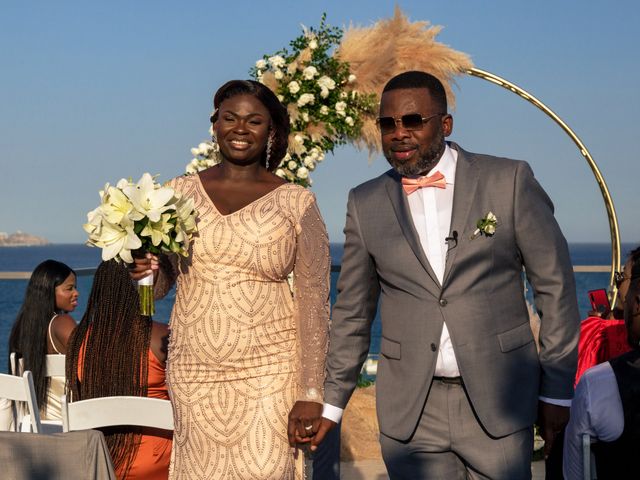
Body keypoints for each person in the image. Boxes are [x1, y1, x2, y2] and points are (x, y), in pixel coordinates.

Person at [310, 71, 580, 479]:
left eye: (413, 121)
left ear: (446, 124)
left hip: (500, 401)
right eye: (388, 124)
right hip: (411, 413)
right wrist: (331, 404)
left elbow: (555, 288)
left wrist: (557, 391)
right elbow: (352, 313)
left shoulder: (508, 180)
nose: (399, 133)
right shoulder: (364, 202)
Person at [130, 79, 330, 479]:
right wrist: (144, 276)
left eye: (254, 121)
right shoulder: (176, 194)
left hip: (269, 372)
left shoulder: (295, 202)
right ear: (215, 125)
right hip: (195, 370)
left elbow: (314, 301)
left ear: (271, 131)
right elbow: (159, 290)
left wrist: (310, 393)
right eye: (230, 118)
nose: (241, 128)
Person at [65, 260, 171, 479]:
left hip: (100, 458)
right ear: (141, 290)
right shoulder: (160, 337)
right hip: (158, 463)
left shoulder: (78, 340)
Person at [563, 247, 640, 479]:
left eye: (621, 279)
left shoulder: (600, 383)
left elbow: (574, 472)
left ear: (637, 301)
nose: (619, 290)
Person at [5, 259, 77, 423]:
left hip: (34, 423)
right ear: (49, 291)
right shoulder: (62, 323)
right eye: (69, 288)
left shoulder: (23, 326)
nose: (76, 293)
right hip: (68, 423)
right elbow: (88, 363)